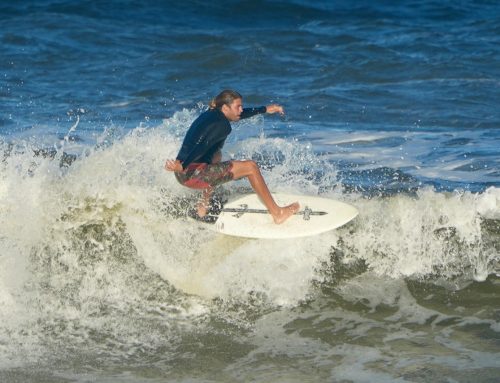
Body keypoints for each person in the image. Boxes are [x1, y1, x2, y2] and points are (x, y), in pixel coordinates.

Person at [165, 89, 300, 224]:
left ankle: (203, 205)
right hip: (192, 174)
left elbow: (238, 116)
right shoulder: (222, 125)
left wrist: (265, 109)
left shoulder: (211, 114)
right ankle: (278, 213)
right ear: (225, 107)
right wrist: (183, 165)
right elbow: (202, 145)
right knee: (251, 167)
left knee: (217, 155)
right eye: (238, 107)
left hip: (183, 173)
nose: (241, 110)